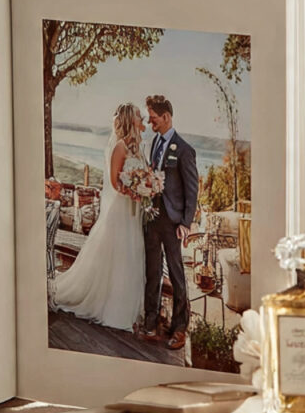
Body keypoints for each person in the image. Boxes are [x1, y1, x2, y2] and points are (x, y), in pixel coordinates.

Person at [49, 103, 146, 331]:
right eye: (138, 115)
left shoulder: (137, 147)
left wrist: (145, 187)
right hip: (121, 211)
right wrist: (133, 192)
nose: (142, 118)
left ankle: (130, 308)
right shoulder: (120, 147)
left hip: (134, 213)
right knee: (118, 256)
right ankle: (113, 308)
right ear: (130, 119)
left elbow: (140, 175)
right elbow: (114, 182)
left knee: (132, 254)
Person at [139, 94, 198, 351]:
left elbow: (192, 190)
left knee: (176, 275)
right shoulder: (154, 143)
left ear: (166, 117)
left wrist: (186, 222)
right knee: (152, 271)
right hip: (152, 219)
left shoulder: (185, 150)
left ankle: (180, 328)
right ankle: (151, 322)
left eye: (153, 118)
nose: (150, 122)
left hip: (173, 223)